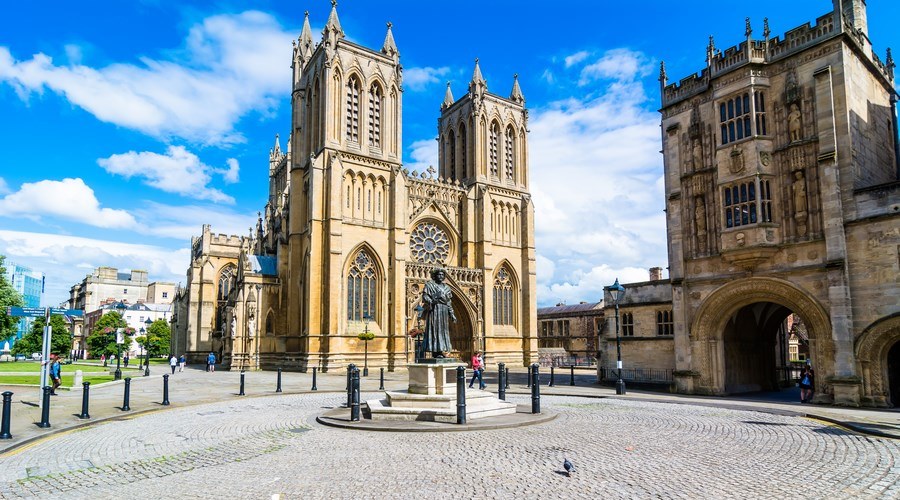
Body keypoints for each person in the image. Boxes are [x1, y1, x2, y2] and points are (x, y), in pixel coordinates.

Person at [421, 268, 456, 358]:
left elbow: (448, 302)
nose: (441, 276)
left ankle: (441, 350)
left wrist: (452, 314)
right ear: (435, 276)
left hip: (443, 311)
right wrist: (431, 301)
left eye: (442, 275)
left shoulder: (447, 288)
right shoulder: (429, 285)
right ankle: (436, 351)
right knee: (434, 330)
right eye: (439, 274)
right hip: (434, 309)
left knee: (443, 331)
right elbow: (425, 296)